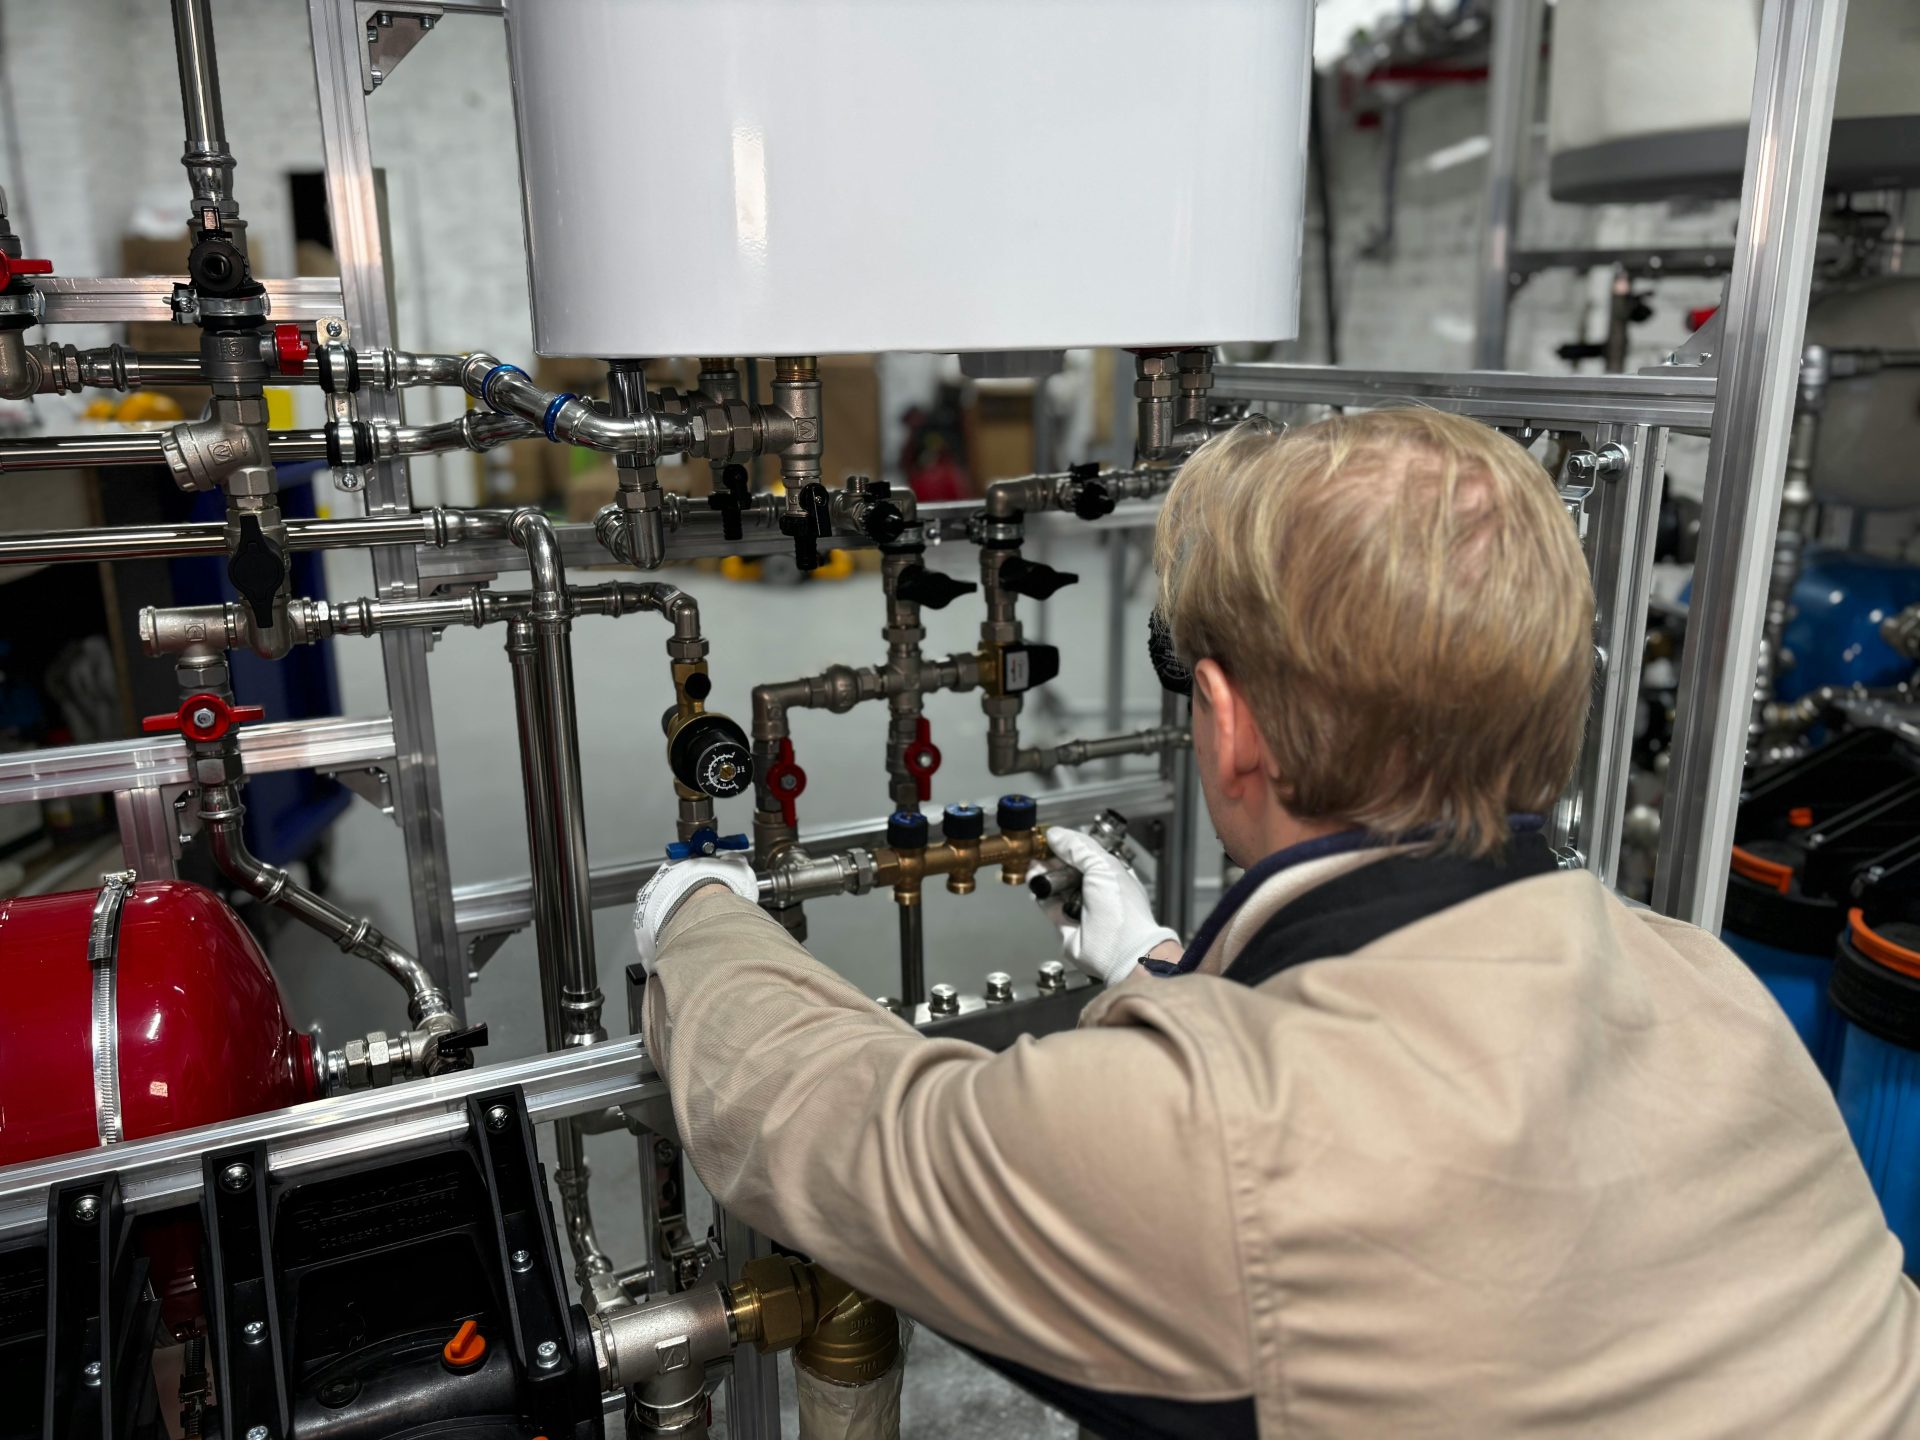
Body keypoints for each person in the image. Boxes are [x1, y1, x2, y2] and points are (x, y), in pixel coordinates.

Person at [631, 410, 1920, 1438]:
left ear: (1231, 724)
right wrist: (1163, 970)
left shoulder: (1221, 1146)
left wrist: (696, 917)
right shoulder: (1707, 983)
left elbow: (825, 1122)